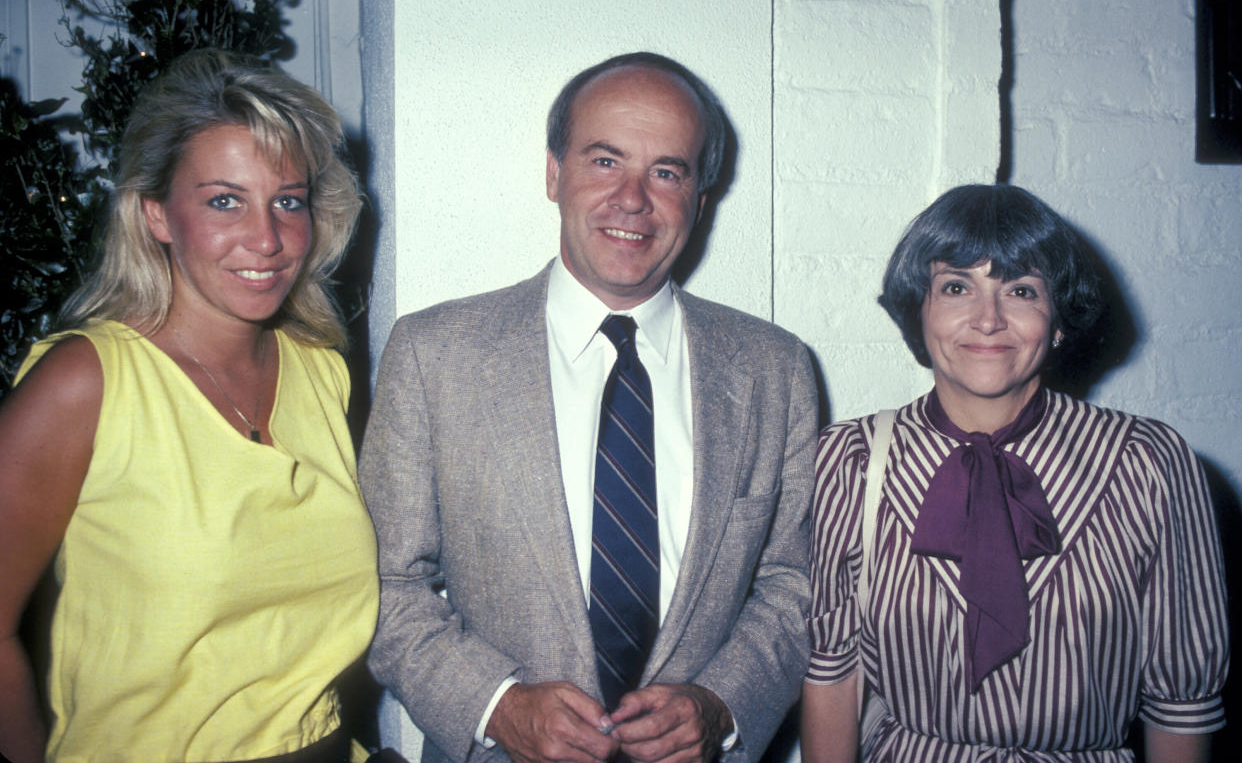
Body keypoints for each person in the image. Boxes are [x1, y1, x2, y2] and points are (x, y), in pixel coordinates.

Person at [361, 52, 816, 763]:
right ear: (554, 173)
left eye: (667, 171)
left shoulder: (774, 369)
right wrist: (496, 704)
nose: (632, 198)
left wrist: (721, 701)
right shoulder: (433, 354)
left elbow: (797, 581)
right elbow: (386, 582)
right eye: (605, 161)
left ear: (699, 198)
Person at [0, 49, 378, 763]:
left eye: (287, 201)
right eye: (224, 200)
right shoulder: (86, 383)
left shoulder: (321, 370)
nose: (266, 240)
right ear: (156, 214)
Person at [800, 184, 1229, 763]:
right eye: (956, 287)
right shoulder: (850, 459)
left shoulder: (1147, 462)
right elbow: (833, 674)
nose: (987, 319)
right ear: (919, 310)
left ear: (1057, 320)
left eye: (1021, 290)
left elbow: (1181, 702)